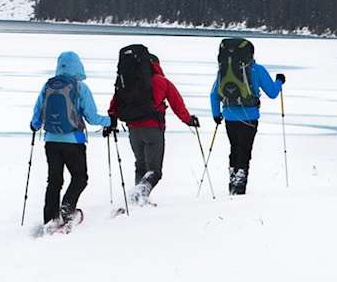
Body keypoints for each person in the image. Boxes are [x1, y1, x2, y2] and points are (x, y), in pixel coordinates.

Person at [29, 51, 112, 228]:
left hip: (51, 141)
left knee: (54, 181)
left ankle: (50, 219)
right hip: (74, 142)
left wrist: (35, 125)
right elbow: (91, 117)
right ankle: (67, 209)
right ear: (78, 65)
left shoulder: (48, 86)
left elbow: (37, 115)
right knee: (80, 178)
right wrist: (109, 121)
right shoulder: (81, 87)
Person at [107, 51, 199, 203]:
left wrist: (112, 120)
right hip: (153, 129)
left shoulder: (127, 81)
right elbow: (177, 104)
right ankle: (139, 195)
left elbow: (115, 102)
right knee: (154, 171)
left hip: (133, 130)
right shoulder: (161, 81)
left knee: (141, 166)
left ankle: (138, 199)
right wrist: (188, 120)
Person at [208, 38, 284, 195]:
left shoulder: (223, 71)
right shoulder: (256, 69)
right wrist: (279, 81)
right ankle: (240, 183)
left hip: (229, 116)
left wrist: (217, 114)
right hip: (249, 117)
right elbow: (272, 93)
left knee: (234, 148)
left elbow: (214, 94)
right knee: (245, 150)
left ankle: (233, 178)